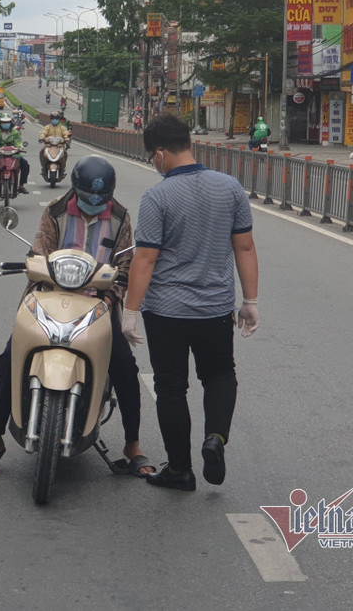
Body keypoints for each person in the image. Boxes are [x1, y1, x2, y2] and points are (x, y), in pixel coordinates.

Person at [0, 156, 155, 478]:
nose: (94, 205)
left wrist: (112, 294)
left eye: (101, 200)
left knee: (125, 366)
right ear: (76, 191)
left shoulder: (121, 217)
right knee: (8, 358)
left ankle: (132, 446)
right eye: (88, 199)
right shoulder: (55, 210)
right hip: (49, 295)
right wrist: (37, 268)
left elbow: (125, 264)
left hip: (98, 302)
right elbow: (40, 250)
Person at [122, 114, 259, 492]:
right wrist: (250, 301)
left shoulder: (157, 196)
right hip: (215, 308)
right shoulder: (230, 188)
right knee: (219, 374)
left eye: (153, 156)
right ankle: (215, 437)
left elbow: (145, 258)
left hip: (166, 310)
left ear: (161, 153)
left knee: (170, 387)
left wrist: (129, 313)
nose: (154, 162)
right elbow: (245, 247)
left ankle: (180, 470)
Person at [0, 114, 29, 195]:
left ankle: (21, 186)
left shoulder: (15, 132)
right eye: (3, 122)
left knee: (25, 164)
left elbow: (18, 142)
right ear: (0, 123)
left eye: (7, 122)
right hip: (0, 155)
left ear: (10, 123)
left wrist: (19, 148)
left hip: (14, 155)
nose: (5, 124)